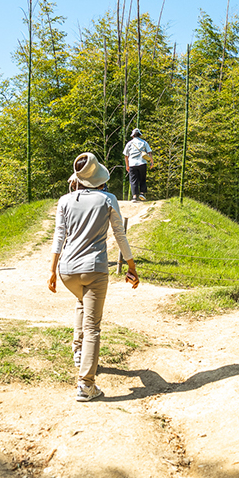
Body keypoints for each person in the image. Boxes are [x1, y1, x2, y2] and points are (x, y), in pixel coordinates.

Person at [48, 152, 139, 402]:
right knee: (93, 328)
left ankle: (79, 353)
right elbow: (120, 235)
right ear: (99, 178)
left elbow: (58, 237)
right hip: (95, 269)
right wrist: (131, 266)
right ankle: (86, 385)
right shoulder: (108, 199)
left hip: (67, 271)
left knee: (82, 303)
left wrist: (52, 272)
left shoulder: (65, 201)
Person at [123, 128, 153, 202]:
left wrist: (127, 165)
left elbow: (126, 155)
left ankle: (134, 197)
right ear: (140, 135)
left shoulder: (129, 143)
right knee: (142, 178)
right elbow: (149, 152)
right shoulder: (144, 142)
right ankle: (142, 193)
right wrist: (151, 162)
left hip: (132, 163)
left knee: (133, 180)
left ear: (133, 136)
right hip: (142, 162)